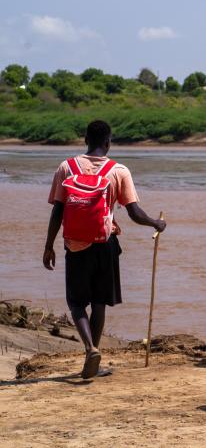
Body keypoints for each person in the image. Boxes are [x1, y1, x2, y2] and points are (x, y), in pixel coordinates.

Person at [42, 120, 166, 379]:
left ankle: (91, 349)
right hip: (105, 243)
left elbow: (58, 211)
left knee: (77, 303)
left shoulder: (66, 167)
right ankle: (93, 355)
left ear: (85, 140)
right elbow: (134, 212)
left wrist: (49, 246)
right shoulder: (118, 171)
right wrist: (156, 223)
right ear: (108, 143)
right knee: (99, 302)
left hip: (75, 245)